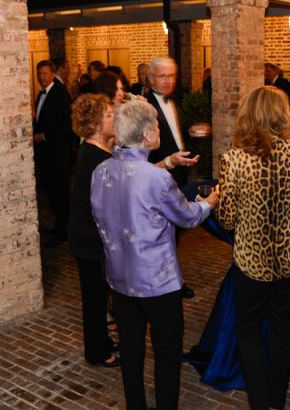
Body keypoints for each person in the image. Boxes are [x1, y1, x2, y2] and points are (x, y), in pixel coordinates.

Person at [91, 99, 217, 410]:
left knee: (131, 352)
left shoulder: (101, 171)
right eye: (158, 126)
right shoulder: (156, 178)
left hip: (119, 281)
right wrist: (210, 203)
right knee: (167, 352)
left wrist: (168, 163)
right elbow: (188, 217)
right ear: (148, 135)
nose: (160, 130)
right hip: (158, 285)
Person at [217, 86, 290, 410]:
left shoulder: (233, 160)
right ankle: (278, 401)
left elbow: (227, 219)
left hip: (253, 263)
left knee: (249, 332)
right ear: (282, 114)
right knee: (282, 328)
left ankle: (259, 404)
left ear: (248, 116)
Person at [68, 94, 120, 369]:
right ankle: (97, 352)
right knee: (94, 298)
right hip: (88, 237)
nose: (115, 118)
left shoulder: (98, 150)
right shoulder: (97, 157)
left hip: (90, 234)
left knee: (99, 294)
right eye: (110, 115)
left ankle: (101, 342)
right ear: (98, 124)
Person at [145, 57, 201, 299]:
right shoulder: (144, 107)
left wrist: (189, 133)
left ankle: (173, 280)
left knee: (173, 233)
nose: (168, 81)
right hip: (155, 176)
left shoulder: (173, 101)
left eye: (172, 76)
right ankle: (162, 284)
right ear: (150, 79)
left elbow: (172, 133)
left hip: (177, 174)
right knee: (159, 233)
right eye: (162, 76)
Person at [32, 59, 73, 246]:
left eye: (45, 73)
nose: (41, 77)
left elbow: (65, 127)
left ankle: (63, 231)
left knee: (59, 192)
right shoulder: (41, 94)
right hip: (46, 155)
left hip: (57, 155)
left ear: (53, 73)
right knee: (51, 192)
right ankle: (60, 225)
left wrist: (45, 137)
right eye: (39, 73)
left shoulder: (60, 94)